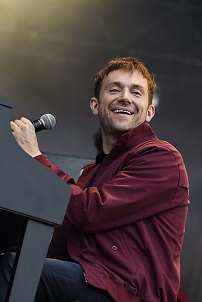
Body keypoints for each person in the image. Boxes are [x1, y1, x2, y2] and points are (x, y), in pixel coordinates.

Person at [0, 57, 189, 302]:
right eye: (114, 89)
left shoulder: (162, 157)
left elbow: (89, 211)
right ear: (95, 105)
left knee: (11, 270)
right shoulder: (92, 170)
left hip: (127, 293)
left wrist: (36, 157)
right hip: (93, 282)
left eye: (136, 92)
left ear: (150, 111)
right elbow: (60, 240)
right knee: (14, 266)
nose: (125, 97)